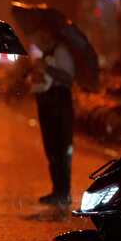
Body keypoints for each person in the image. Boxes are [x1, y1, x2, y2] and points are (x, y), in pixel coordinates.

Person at [27, 28, 75, 206]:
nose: (41, 37)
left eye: (44, 34)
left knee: (60, 148)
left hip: (59, 104)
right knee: (51, 149)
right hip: (46, 103)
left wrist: (46, 68)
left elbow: (68, 78)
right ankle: (57, 190)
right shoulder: (46, 52)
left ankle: (63, 192)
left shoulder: (61, 51)